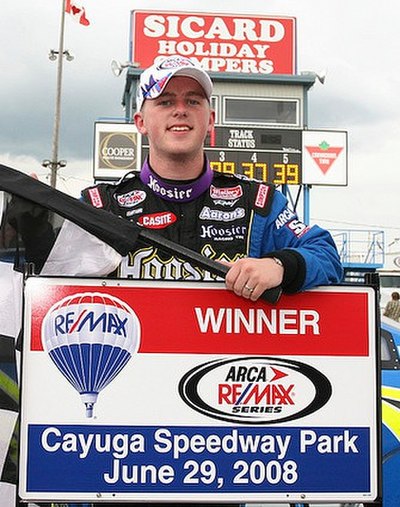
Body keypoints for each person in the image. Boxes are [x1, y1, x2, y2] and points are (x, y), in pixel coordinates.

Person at [81, 54, 343, 300]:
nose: (180, 110)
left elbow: (326, 255)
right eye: (165, 101)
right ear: (140, 122)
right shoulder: (99, 206)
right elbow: (48, 266)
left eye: (193, 101)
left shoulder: (257, 203)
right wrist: (39, 219)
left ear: (210, 121)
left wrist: (280, 265)